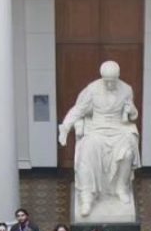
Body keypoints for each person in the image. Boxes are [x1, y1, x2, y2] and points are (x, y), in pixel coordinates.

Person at [58, 60, 140, 217]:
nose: (110, 85)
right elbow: (78, 110)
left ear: (118, 77)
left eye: (113, 81)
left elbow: (133, 115)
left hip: (118, 128)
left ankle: (120, 188)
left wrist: (132, 110)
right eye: (107, 81)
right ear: (102, 78)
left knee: (128, 152)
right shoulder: (92, 89)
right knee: (87, 151)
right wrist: (65, 128)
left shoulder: (126, 89)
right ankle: (87, 197)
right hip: (97, 128)